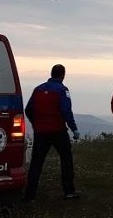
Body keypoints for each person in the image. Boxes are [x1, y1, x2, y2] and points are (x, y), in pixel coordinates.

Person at [24, 64, 80, 201]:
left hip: (40, 132)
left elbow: (28, 109)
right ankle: (68, 191)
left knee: (36, 162)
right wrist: (74, 129)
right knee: (66, 159)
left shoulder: (38, 89)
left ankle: (30, 194)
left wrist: (35, 123)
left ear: (51, 73)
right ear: (63, 75)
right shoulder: (62, 90)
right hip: (58, 131)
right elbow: (66, 111)